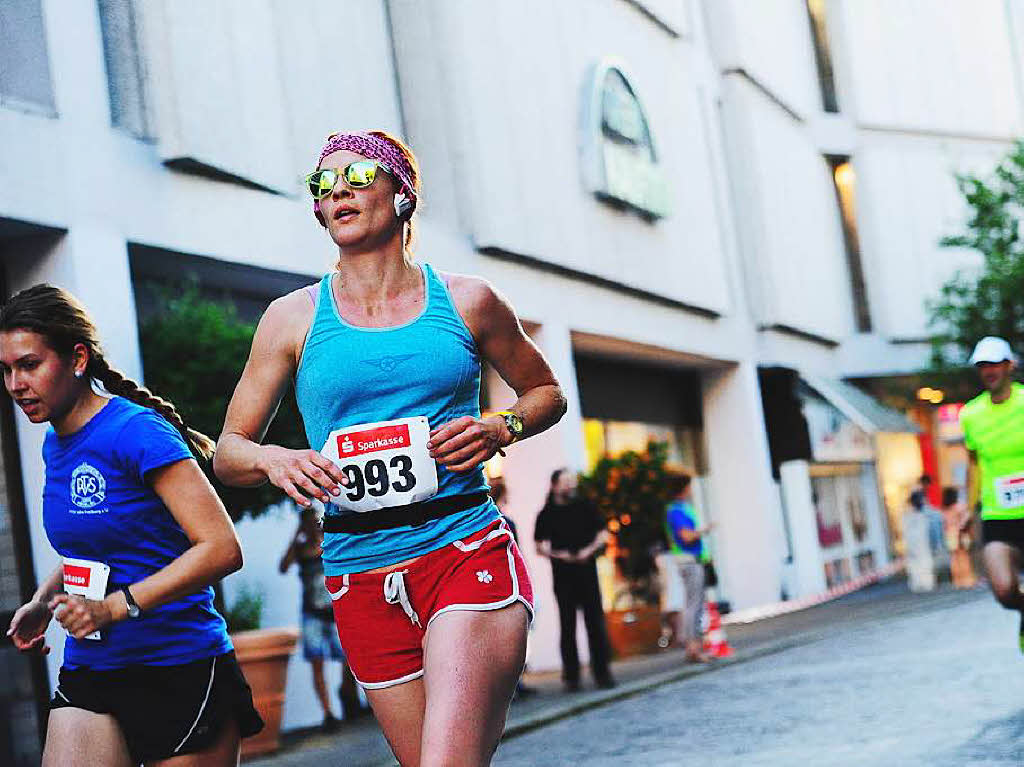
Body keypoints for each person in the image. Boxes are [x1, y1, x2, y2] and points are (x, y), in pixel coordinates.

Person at [213, 130, 565, 766]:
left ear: (402, 195)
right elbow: (229, 452)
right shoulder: (291, 318)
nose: (337, 191)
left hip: (462, 549)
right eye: (323, 183)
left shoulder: (468, 300)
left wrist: (498, 427)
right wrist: (275, 458)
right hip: (356, 571)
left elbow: (545, 393)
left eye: (356, 174)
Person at [2, 284, 263, 766]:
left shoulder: (135, 432)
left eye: (29, 365)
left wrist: (115, 609)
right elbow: (94, 546)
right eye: (7, 370)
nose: (16, 384)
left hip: (177, 667)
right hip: (94, 666)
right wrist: (42, 601)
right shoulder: (55, 444)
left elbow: (222, 546)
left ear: (77, 359)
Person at [958, 336, 1024, 649]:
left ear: (1010, 365)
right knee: (1003, 589)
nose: (989, 370)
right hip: (998, 515)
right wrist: (968, 510)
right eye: (982, 365)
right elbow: (974, 466)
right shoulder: (971, 415)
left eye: (995, 363)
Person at [278, 506, 367, 730]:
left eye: (315, 520)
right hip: (312, 613)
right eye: (308, 522)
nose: (312, 525)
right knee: (317, 662)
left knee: (350, 657)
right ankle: (328, 712)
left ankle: (348, 695)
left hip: (336, 609)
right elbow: (283, 567)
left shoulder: (329, 541)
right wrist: (295, 534)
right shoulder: (299, 548)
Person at [533, 468, 615, 691]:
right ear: (555, 485)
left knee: (595, 623)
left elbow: (602, 533)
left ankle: (603, 673)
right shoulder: (547, 513)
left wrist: (587, 551)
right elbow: (539, 546)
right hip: (563, 575)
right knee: (567, 624)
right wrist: (560, 556)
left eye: (572, 482)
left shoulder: (585, 506)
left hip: (587, 571)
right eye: (566, 482)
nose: (570, 486)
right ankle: (572, 677)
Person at [661, 473, 712, 662]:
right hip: (689, 561)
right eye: (689, 487)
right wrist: (704, 530)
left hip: (692, 560)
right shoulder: (676, 511)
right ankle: (693, 647)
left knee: (695, 604)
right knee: (693, 605)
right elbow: (686, 536)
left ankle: (695, 647)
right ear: (682, 489)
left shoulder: (679, 508)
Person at [941, 485, 976, 588]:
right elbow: (968, 517)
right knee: (964, 557)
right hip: (960, 534)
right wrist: (961, 525)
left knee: (954, 558)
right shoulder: (960, 506)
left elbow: (943, 523)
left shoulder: (944, 509)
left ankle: (957, 580)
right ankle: (967, 580)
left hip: (949, 535)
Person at [903, 490, 937, 592]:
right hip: (921, 546)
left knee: (918, 568)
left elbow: (907, 534)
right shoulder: (927, 515)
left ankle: (921, 585)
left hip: (916, 546)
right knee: (923, 567)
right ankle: (925, 585)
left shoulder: (908, 516)